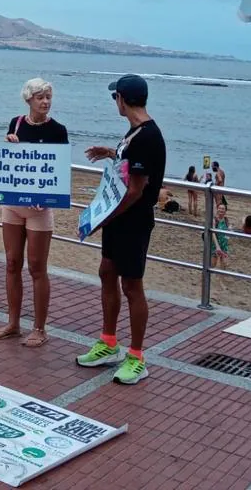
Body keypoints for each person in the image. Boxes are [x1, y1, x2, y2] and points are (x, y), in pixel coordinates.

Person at [80, 74, 166, 386]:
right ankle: (108, 342)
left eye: (114, 97)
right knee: (106, 272)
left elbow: (136, 190)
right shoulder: (134, 133)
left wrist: (101, 217)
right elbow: (130, 165)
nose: (114, 102)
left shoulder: (147, 137)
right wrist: (112, 153)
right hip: (118, 221)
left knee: (132, 286)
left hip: (133, 222)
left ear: (122, 99)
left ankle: (137, 356)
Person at [0, 77, 67, 348]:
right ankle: (13, 323)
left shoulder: (58, 130)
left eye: (48, 97)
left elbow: (58, 170)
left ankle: (39, 327)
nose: (45, 101)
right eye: (40, 97)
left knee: (37, 268)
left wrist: (47, 198)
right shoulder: (17, 123)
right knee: (12, 263)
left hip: (39, 209)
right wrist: (9, 144)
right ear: (29, 100)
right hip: (12, 204)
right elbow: (10, 160)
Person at [210, 203, 230, 268]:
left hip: (224, 246)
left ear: (225, 211)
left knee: (224, 266)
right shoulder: (214, 220)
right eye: (219, 208)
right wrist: (217, 246)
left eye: (223, 209)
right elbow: (213, 234)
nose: (221, 210)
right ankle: (204, 278)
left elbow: (228, 233)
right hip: (214, 246)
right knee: (212, 265)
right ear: (217, 209)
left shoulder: (226, 220)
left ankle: (222, 278)